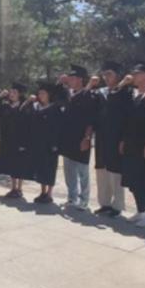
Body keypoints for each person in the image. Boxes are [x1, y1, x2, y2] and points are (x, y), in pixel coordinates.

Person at [118, 62, 145, 227]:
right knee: (133, 178)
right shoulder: (133, 94)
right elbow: (127, 119)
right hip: (131, 142)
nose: (134, 77)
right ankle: (141, 210)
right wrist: (123, 140)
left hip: (144, 143)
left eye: (137, 74)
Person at [57, 64, 98, 211]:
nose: (70, 80)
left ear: (80, 79)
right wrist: (60, 81)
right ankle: (72, 198)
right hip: (68, 139)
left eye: (72, 78)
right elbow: (55, 94)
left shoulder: (89, 96)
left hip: (81, 139)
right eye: (69, 78)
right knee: (69, 172)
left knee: (82, 172)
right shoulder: (69, 94)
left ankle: (84, 200)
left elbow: (91, 120)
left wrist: (87, 138)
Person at [93, 61, 130, 217]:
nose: (106, 77)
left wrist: (124, 139)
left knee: (115, 172)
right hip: (101, 136)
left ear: (118, 76)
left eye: (109, 74)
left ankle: (117, 205)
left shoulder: (125, 92)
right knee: (101, 170)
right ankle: (105, 203)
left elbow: (127, 118)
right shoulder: (100, 93)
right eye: (104, 74)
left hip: (116, 137)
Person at [0, 83, 34, 199]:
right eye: (11, 92)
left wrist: (25, 142)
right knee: (11, 164)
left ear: (20, 94)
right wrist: (0, 95)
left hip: (21, 140)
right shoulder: (6, 106)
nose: (11, 94)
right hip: (8, 140)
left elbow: (29, 125)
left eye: (14, 92)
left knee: (20, 164)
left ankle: (19, 189)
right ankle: (13, 188)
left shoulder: (25, 106)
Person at [28, 82, 63, 204]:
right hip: (38, 143)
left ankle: (49, 194)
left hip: (51, 144)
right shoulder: (36, 107)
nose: (41, 95)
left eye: (43, 93)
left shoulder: (55, 108)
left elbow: (58, 128)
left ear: (49, 95)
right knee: (40, 167)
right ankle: (42, 192)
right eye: (39, 93)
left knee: (50, 168)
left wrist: (56, 144)